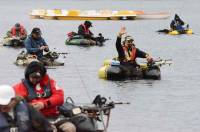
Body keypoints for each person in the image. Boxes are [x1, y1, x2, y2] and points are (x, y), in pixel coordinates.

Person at [13, 61, 76, 132]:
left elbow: (59, 97)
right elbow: (18, 103)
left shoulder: (51, 83)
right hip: (34, 120)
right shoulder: (20, 86)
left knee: (70, 128)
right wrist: (32, 107)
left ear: (42, 76)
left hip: (53, 117)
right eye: (32, 77)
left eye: (37, 77)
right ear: (27, 75)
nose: (35, 80)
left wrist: (44, 104)